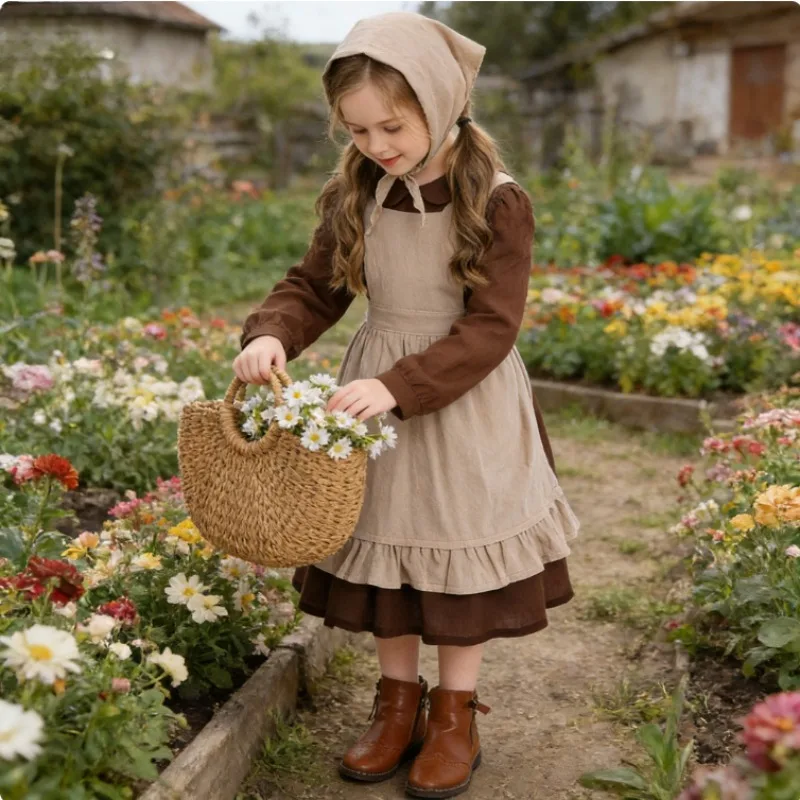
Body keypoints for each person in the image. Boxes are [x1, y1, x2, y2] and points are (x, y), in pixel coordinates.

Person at [233, 11, 580, 799]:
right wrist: (272, 333)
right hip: (371, 400)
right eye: (356, 130)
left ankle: (454, 714)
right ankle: (396, 706)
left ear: (441, 98)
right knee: (388, 548)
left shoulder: (496, 201)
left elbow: (492, 327)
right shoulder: (357, 188)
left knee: (458, 551)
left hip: (460, 400)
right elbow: (314, 285)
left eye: (391, 125)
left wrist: (399, 386)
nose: (376, 144)